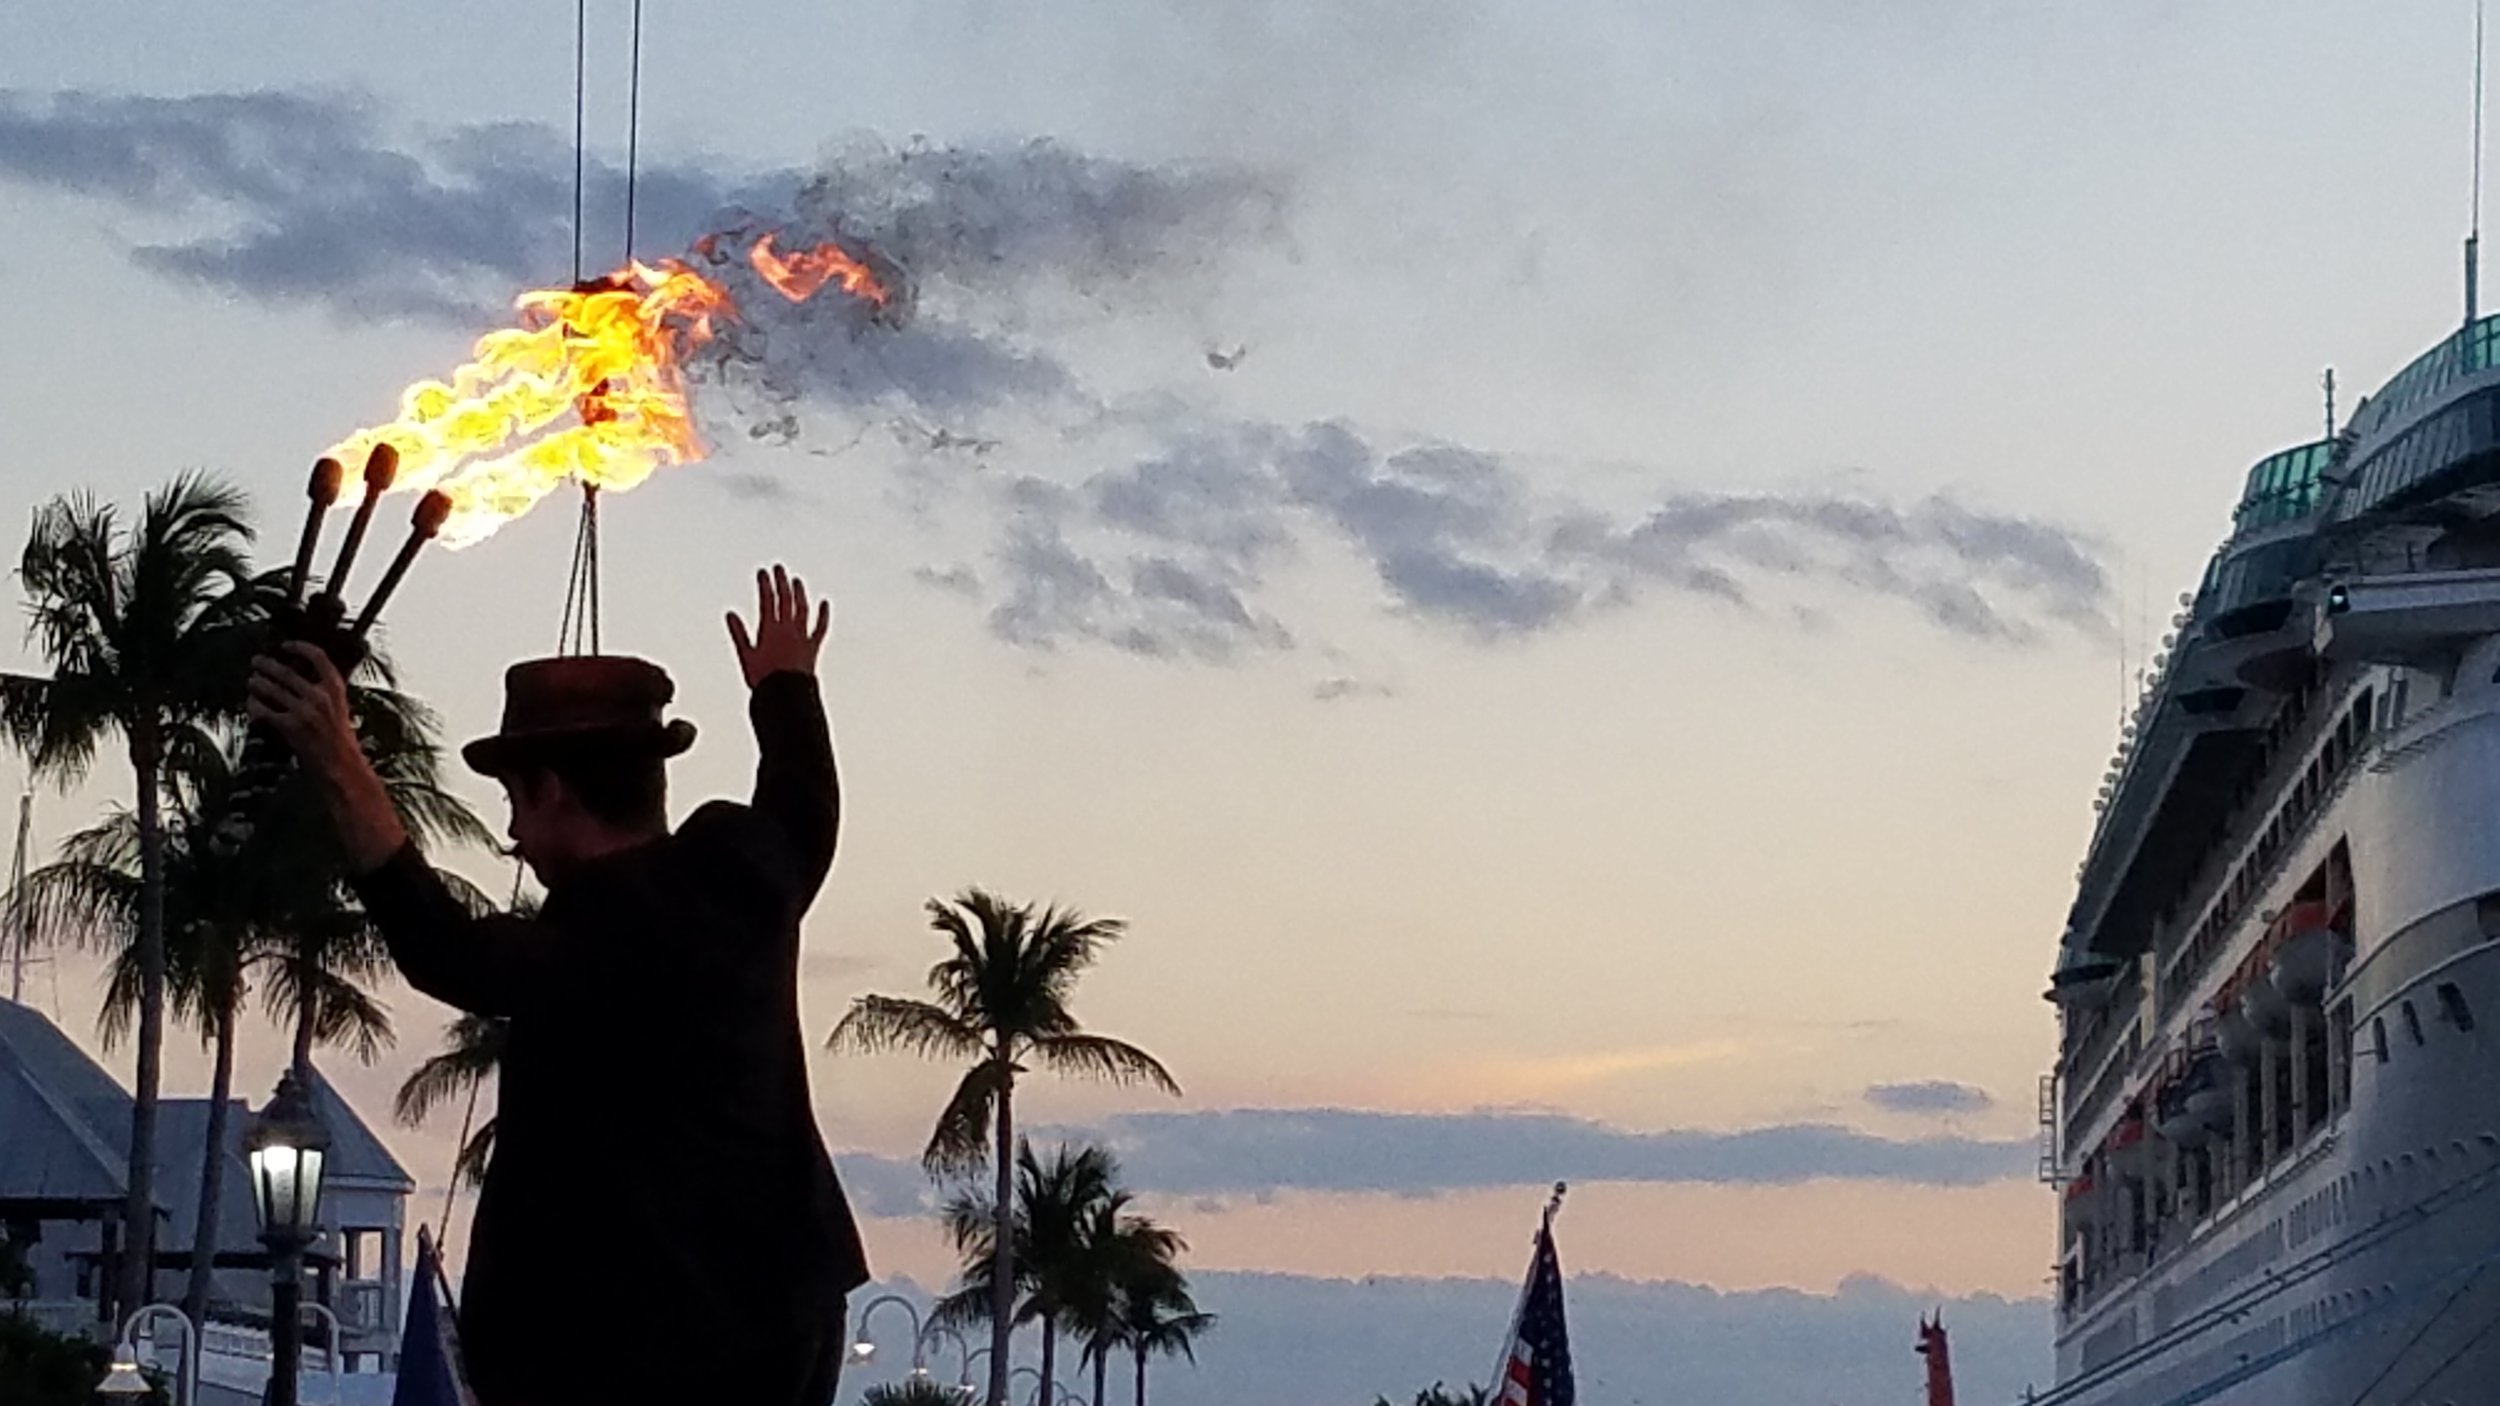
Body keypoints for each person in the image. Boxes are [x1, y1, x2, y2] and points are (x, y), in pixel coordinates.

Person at [249, 565, 868, 1406]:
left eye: (514, 799)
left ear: (552, 789)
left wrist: (340, 764)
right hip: (788, 1319)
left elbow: (443, 948)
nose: (511, 832)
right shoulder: (742, 872)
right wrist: (786, 688)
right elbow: (805, 807)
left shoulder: (601, 938)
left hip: (630, 1348)